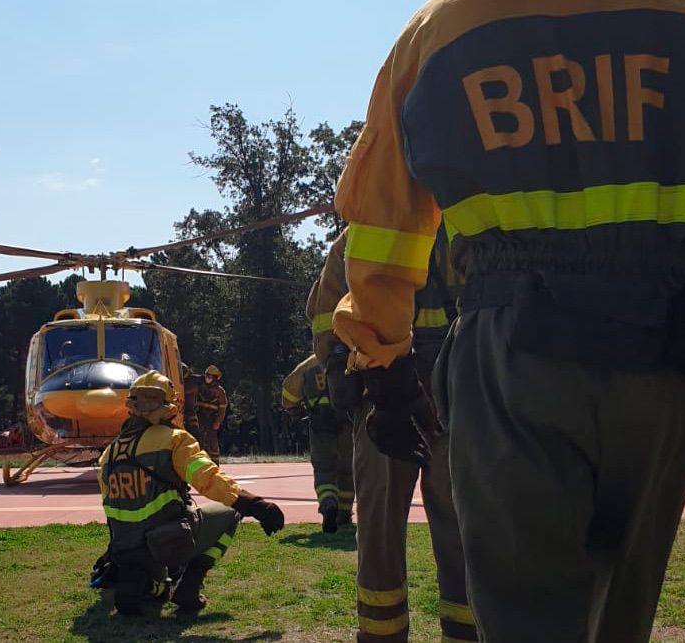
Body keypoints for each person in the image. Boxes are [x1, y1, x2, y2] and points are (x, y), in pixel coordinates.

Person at [331, 0, 685, 640]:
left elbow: (382, 226)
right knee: (621, 620)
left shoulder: (436, 31)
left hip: (511, 354)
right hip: (662, 353)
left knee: (522, 618)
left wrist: (382, 360)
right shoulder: (679, 9)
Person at [310, 229, 476, 642]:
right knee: (459, 537)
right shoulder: (463, 215)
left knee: (386, 537)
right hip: (443, 399)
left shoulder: (361, 233)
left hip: (388, 398)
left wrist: (342, 370)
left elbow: (324, 320)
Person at [95, 370, 285, 616]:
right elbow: (209, 479)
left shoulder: (109, 453)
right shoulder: (175, 440)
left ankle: (148, 586)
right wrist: (255, 505)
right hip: (165, 544)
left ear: (131, 404)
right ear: (170, 403)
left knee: (158, 586)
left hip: (124, 549)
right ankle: (189, 587)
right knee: (229, 513)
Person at [281, 355, 354, 533]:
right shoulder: (352, 356)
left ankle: (328, 503)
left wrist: (296, 409)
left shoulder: (309, 364)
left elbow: (288, 395)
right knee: (347, 469)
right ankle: (343, 515)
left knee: (324, 469)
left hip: (320, 425)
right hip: (348, 423)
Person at [194, 365, 227, 465]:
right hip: (199, 417)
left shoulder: (220, 391)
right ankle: (200, 463)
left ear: (216, 378)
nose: (207, 378)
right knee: (198, 440)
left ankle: (215, 464)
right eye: (206, 375)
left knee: (212, 442)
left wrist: (217, 422)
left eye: (210, 376)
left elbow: (222, 409)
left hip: (211, 419)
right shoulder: (199, 386)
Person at [179, 362, 204, 440]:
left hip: (189, 414)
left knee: (194, 434)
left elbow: (183, 391)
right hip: (183, 412)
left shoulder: (190, 384)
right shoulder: (190, 383)